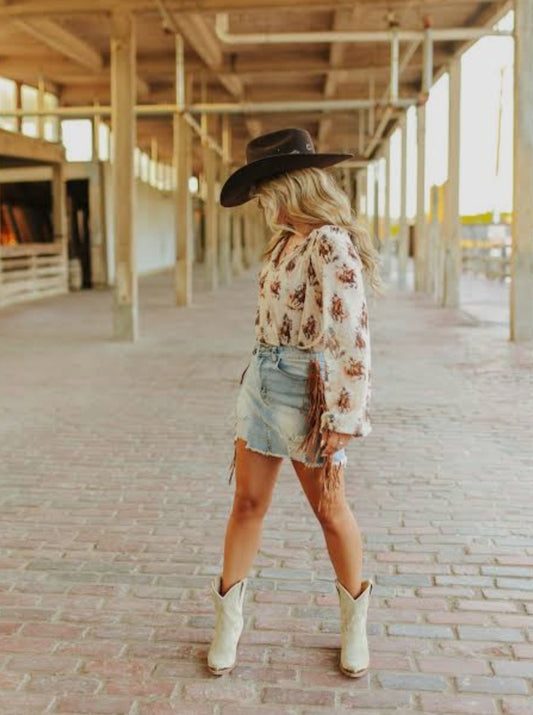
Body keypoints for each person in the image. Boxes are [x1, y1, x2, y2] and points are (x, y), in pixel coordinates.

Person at [207, 128, 385, 678]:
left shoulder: (330, 242)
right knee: (247, 504)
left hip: (309, 387)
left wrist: (343, 415)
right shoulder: (284, 242)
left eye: (265, 192)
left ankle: (355, 625)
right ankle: (227, 625)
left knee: (329, 509)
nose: (263, 204)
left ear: (289, 187)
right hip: (262, 378)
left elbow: (351, 335)